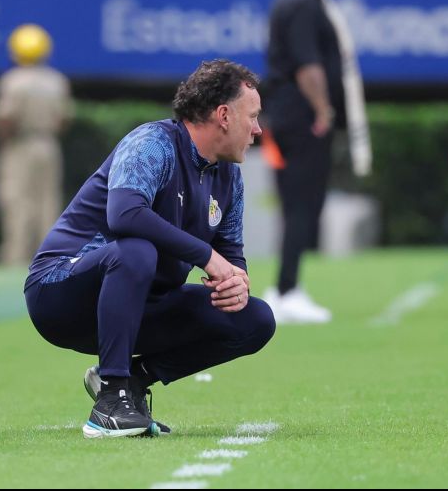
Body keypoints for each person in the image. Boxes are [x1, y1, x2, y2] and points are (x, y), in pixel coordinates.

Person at [25, 60, 275, 438]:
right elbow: (125, 215)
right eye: (253, 116)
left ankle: (133, 383)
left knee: (254, 318)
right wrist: (209, 259)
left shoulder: (229, 176)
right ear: (224, 115)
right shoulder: (152, 143)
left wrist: (237, 280)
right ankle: (110, 400)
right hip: (59, 293)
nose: (258, 129)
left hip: (139, 304)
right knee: (136, 250)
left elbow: (229, 249)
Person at [262, 0, 371, 324]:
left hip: (291, 115)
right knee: (301, 205)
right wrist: (323, 109)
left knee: (301, 205)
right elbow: (307, 64)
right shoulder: (301, 1)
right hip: (300, 117)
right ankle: (287, 289)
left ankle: (288, 286)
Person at [0, 24, 72, 266]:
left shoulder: (13, 80)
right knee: (48, 201)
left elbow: (5, 118)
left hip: (20, 144)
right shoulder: (56, 80)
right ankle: (48, 260)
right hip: (48, 145)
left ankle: (15, 258)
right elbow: (64, 119)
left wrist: (4, 142)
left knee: (16, 200)